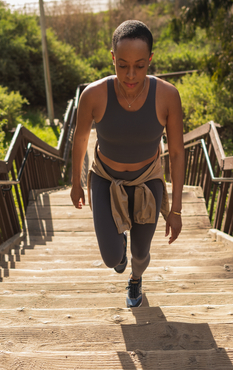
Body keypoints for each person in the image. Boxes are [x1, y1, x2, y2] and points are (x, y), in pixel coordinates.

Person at [70, 19, 185, 308]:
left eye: (139, 66)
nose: (130, 75)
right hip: (105, 179)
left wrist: (176, 210)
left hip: (147, 180)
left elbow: (178, 152)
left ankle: (135, 280)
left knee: (141, 252)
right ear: (112, 59)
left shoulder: (167, 96)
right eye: (122, 65)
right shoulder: (93, 95)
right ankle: (118, 250)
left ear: (150, 60)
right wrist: (76, 183)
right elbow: (80, 140)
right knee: (111, 258)